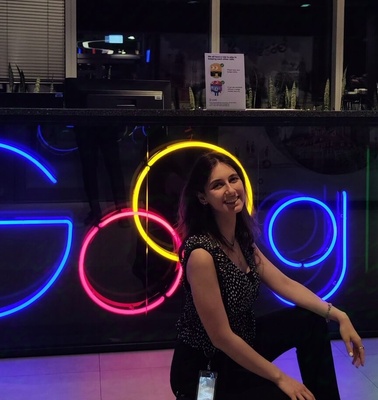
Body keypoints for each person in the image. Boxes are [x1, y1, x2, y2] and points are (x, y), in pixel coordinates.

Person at [170, 151, 365, 400]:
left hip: (244, 343)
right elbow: (221, 338)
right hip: (206, 370)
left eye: (233, 179)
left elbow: (284, 283)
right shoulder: (201, 254)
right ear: (202, 197)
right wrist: (281, 378)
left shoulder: (241, 240)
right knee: (287, 395)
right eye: (217, 185)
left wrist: (339, 315)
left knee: (311, 320)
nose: (230, 189)